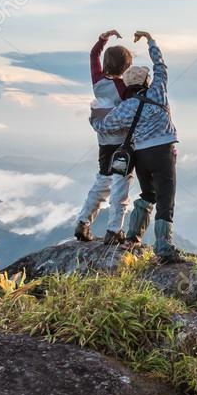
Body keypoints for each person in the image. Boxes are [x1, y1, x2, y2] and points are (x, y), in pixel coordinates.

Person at [91, 31, 185, 264]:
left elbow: (103, 125)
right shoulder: (158, 92)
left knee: (148, 194)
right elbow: (161, 66)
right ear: (146, 81)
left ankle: (132, 238)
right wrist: (150, 40)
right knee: (166, 199)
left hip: (141, 156)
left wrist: (93, 117)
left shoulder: (126, 107)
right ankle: (163, 248)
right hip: (163, 153)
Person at [75, 29, 134, 244]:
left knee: (102, 180)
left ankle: (83, 222)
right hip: (123, 146)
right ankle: (114, 229)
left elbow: (93, 56)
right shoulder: (125, 88)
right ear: (127, 67)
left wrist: (103, 39)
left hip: (104, 144)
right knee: (121, 184)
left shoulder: (97, 82)